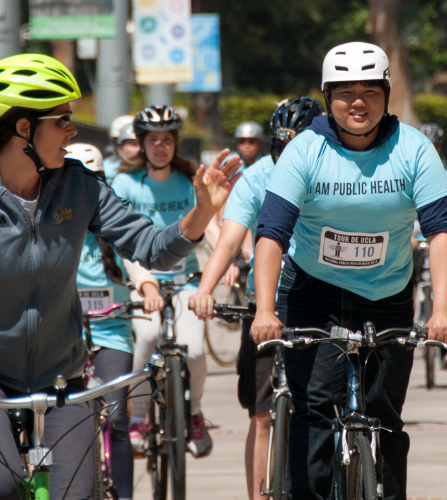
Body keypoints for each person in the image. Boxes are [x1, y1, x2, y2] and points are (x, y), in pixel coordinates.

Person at [0, 53, 241, 500]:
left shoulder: (80, 184)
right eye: (62, 120)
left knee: (77, 495)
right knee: (0, 488)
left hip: (61, 378)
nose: (73, 130)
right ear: (23, 128)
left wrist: (203, 212)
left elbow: (152, 247)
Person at [249, 42, 447, 500]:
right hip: (313, 291)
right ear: (328, 97)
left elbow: (440, 230)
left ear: (387, 94)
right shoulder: (305, 151)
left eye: (370, 90)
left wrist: (442, 309)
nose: (358, 101)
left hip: (389, 294)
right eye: (345, 91)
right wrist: (265, 310)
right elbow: (271, 235)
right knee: (314, 411)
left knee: (385, 417)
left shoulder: (414, 149)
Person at [189, 96, 324, 500]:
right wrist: (204, 290)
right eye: (280, 149)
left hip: (318, 301)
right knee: (262, 414)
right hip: (263, 305)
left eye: (298, 148)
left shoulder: (332, 172)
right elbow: (228, 240)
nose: (288, 159)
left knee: (322, 409)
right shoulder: (256, 177)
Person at [114, 104, 229, 459]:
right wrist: (145, 284)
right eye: (153, 140)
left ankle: (193, 413)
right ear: (142, 143)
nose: (160, 147)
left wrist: (226, 259)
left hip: (184, 282)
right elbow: (121, 242)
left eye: (167, 140)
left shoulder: (188, 178)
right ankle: (139, 418)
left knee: (193, 351)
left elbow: (207, 225)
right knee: (147, 336)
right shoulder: (124, 183)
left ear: (175, 143)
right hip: (141, 283)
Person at [67, 143, 168, 499]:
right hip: (65, 334)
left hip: (112, 331)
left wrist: (148, 286)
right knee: (67, 420)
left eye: (92, 180)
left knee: (116, 416)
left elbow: (136, 259)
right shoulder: (54, 225)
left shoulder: (111, 223)